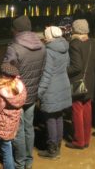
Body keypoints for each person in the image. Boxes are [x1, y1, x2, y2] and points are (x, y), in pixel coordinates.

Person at [3, 15, 46, 169]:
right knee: (29, 127)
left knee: (18, 129)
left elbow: (8, 70)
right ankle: (29, 160)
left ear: (16, 29)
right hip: (32, 93)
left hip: (17, 95)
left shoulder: (14, 47)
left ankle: (19, 163)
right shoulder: (41, 46)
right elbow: (42, 70)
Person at [37, 26, 71, 160]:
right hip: (63, 85)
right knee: (59, 117)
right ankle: (58, 145)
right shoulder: (65, 47)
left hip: (51, 89)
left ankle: (52, 149)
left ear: (49, 37)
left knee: (51, 119)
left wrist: (39, 92)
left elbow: (46, 75)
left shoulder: (49, 52)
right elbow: (67, 65)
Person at [66, 19, 95, 149]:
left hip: (79, 82)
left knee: (77, 110)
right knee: (87, 109)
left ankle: (78, 141)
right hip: (90, 81)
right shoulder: (90, 42)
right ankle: (86, 139)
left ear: (75, 29)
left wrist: (63, 71)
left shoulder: (74, 43)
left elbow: (77, 67)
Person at [0, 62, 27, 169]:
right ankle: (22, 163)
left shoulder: (2, 93)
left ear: (2, 75)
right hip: (15, 120)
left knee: (6, 149)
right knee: (16, 142)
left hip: (3, 124)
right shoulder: (20, 86)